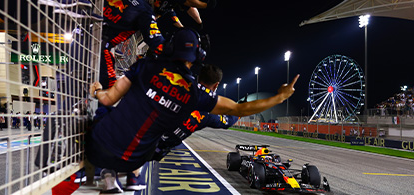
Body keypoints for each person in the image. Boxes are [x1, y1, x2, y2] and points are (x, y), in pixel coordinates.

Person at [88, 28, 299, 175]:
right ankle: (124, 174)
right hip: (133, 160)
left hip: (97, 148)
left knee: (105, 113)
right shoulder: (196, 95)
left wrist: (97, 91)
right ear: (198, 55)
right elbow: (239, 110)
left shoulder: (146, 65)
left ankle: (102, 170)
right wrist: (280, 97)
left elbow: (108, 98)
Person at [152, 65, 240, 161]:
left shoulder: (180, 86)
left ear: (198, 78)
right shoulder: (208, 112)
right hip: (154, 148)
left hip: (144, 129)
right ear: (216, 85)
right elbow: (227, 122)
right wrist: (239, 113)